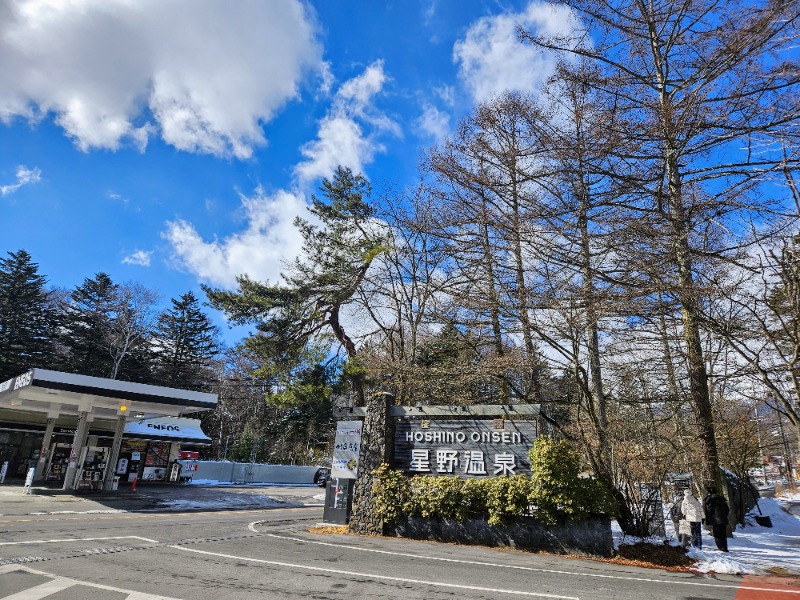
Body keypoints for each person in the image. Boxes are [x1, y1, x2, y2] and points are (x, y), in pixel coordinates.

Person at [703, 486, 730, 552]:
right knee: (723, 534)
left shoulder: (709, 500)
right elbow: (727, 510)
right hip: (723, 519)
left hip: (715, 520)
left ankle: (720, 547)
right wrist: (723, 516)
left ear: (709, 492)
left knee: (717, 534)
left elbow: (709, 511)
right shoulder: (721, 499)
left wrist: (710, 519)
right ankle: (725, 547)